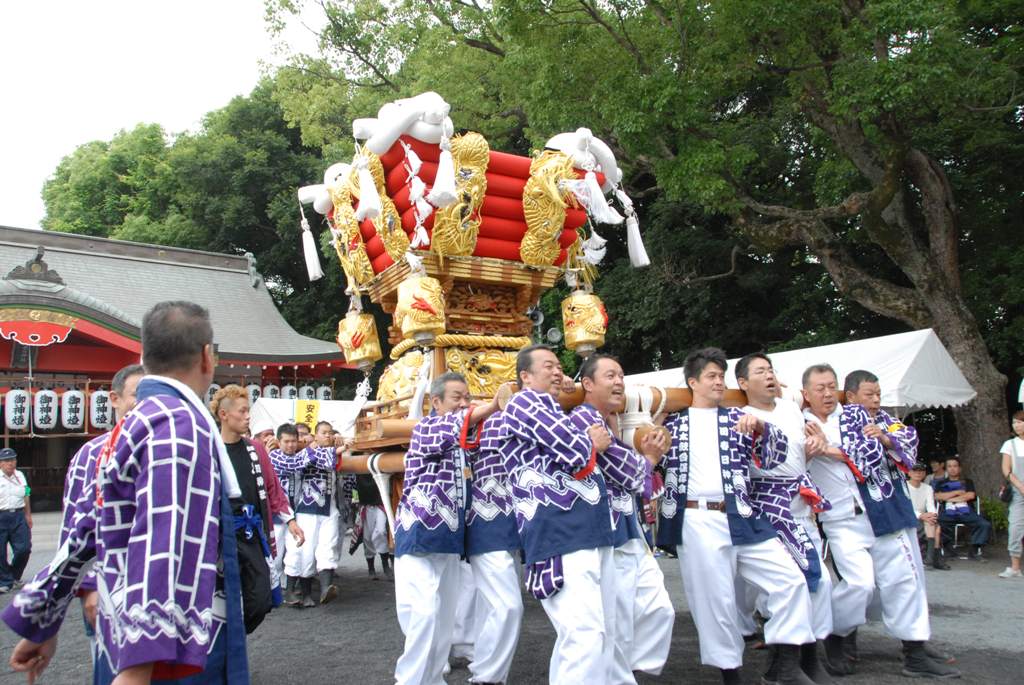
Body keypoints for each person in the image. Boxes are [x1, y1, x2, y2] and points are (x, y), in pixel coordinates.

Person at [5, 300, 250, 684]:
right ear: (207, 357)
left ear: (143, 356)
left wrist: (44, 621)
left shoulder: (132, 426)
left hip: (121, 621)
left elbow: (84, 530)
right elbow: (164, 540)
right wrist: (139, 668)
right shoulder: (178, 424)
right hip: (169, 648)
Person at [657, 347, 814, 685]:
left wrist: (761, 428)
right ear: (692, 382)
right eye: (711, 376)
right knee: (716, 603)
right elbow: (644, 449)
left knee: (789, 580)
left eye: (721, 377)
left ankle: (783, 663)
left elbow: (775, 458)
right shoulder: (672, 421)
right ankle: (731, 675)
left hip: (742, 514)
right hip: (696, 519)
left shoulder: (738, 418)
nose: (718, 382)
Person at [803, 366, 957, 679]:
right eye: (819, 388)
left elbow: (884, 448)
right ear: (805, 393)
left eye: (831, 386)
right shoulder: (798, 423)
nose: (827, 393)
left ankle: (914, 650)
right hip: (841, 518)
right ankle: (838, 634)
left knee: (904, 579)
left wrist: (838, 448)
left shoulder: (856, 417)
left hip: (882, 509)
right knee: (859, 583)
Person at [500, 345, 616, 684]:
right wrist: (591, 439)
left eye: (559, 367)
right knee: (583, 633)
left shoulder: (550, 407)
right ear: (524, 377)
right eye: (548, 366)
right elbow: (574, 448)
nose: (557, 372)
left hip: (585, 527)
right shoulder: (524, 402)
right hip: (557, 529)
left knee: (599, 631)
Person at [568, 354, 674, 683]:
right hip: (608, 531)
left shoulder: (612, 420)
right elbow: (629, 474)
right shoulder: (584, 419)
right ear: (587, 384)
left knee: (658, 609)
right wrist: (650, 457)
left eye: (622, 376)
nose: (619, 382)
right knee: (618, 619)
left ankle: (624, 671)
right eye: (610, 376)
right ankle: (619, 675)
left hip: (628, 529)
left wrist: (645, 457)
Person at [393, 371, 499, 685]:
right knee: (424, 614)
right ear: (435, 402)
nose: (464, 404)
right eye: (457, 398)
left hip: (451, 541)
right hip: (420, 535)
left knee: (443, 620)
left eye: (467, 398)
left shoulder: (465, 442)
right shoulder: (426, 428)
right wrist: (492, 405)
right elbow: (455, 425)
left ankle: (433, 679)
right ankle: (408, 680)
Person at [734, 353, 835, 684]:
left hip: (801, 500)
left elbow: (804, 448)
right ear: (743, 383)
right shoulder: (741, 417)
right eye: (760, 371)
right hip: (768, 505)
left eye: (770, 370)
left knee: (818, 580)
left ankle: (809, 656)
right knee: (784, 582)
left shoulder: (791, 409)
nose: (768, 376)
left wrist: (816, 442)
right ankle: (783, 663)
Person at [58, 363, 145, 650]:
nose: (144, 404)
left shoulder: (170, 451)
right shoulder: (91, 454)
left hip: (157, 587)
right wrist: (87, 587)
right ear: (114, 399)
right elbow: (74, 530)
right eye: (136, 394)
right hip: (107, 584)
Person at [209, 385, 304, 632]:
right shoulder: (210, 449)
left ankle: (235, 636)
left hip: (251, 534)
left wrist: (291, 521)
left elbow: (273, 489)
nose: (248, 416)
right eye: (242, 411)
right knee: (220, 599)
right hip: (220, 537)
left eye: (248, 410)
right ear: (224, 415)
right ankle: (225, 649)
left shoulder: (255, 449)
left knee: (261, 599)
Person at [280, 420, 346, 607]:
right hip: (308, 509)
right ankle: (304, 593)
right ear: (315, 435)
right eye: (323, 432)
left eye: (330, 432)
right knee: (305, 552)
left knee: (328, 546)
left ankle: (326, 588)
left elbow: (339, 461)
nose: (328, 435)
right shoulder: (305, 453)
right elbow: (320, 457)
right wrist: (337, 448)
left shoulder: (332, 451)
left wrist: (342, 445)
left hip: (329, 508)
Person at [934, 456, 992, 561]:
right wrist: (956, 493)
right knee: (937, 525)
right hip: (947, 512)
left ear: (959, 468)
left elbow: (970, 496)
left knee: (984, 524)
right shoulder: (940, 483)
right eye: (949, 466)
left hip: (967, 512)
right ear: (946, 468)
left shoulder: (967, 482)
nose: (952, 468)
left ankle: (974, 550)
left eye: (955, 466)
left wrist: (949, 498)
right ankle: (948, 549)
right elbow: (937, 497)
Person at [0, 448, 32, 594]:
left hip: (18, 515)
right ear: (1, 463)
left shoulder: (20, 475)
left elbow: (26, 494)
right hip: (1, 516)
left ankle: (13, 576)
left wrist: (28, 515)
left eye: (13, 460)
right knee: (1, 552)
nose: (11, 463)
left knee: (24, 549)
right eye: (7, 461)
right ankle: (6, 580)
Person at [907, 464, 949, 570]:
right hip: (909, 517)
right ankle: (936, 559)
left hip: (924, 517)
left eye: (921, 471)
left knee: (934, 525)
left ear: (925, 474)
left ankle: (929, 560)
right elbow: (904, 507)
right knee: (934, 527)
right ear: (909, 473)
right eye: (915, 471)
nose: (918, 473)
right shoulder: (904, 487)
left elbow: (930, 505)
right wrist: (921, 515)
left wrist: (932, 516)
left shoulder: (928, 488)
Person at [998, 411, 1024, 578]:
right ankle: (1015, 568)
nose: (1016, 425)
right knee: (1015, 527)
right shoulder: (1010, 444)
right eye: (1014, 423)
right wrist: (1020, 486)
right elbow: (1006, 470)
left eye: (1020, 422)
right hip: (1017, 490)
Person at [354, 473, 392, 580]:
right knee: (367, 537)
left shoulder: (379, 461)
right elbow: (353, 485)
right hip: (365, 504)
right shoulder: (358, 463)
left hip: (380, 504)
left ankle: (385, 565)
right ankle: (371, 568)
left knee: (381, 531)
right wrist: (355, 500)